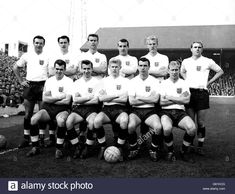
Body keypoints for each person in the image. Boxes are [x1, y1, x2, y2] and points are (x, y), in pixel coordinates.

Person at [26, 59, 79, 158]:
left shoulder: (69, 81)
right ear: (54, 69)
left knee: (61, 121)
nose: (59, 71)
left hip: (63, 109)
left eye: (61, 69)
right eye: (57, 69)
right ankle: (35, 147)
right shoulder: (49, 81)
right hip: (48, 108)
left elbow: (67, 101)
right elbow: (44, 99)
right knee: (33, 119)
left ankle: (59, 149)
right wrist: (59, 97)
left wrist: (52, 99)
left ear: (64, 69)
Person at [180, 41, 224, 155]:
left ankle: (200, 146)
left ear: (202, 49)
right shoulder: (186, 61)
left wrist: (208, 82)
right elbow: (182, 71)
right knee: (191, 123)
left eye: (199, 47)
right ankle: (190, 145)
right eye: (195, 47)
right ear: (191, 49)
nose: (197, 49)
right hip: (189, 93)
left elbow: (220, 71)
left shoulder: (207, 61)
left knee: (200, 122)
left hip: (202, 93)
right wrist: (187, 81)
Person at [13, 35, 49, 148]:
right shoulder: (27, 55)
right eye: (36, 42)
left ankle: (42, 137)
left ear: (44, 44)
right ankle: (26, 137)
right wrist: (20, 81)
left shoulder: (48, 56)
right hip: (30, 85)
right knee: (28, 113)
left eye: (41, 43)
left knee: (42, 113)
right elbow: (15, 67)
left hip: (43, 85)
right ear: (33, 43)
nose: (38, 44)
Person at [159, 61, 196, 163]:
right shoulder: (163, 83)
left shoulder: (184, 83)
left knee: (192, 128)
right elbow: (161, 102)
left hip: (180, 112)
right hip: (166, 112)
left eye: (176, 70)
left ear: (179, 71)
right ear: (168, 71)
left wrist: (170, 97)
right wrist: (179, 99)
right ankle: (170, 152)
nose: (174, 72)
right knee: (166, 128)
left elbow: (186, 101)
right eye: (172, 70)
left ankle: (183, 151)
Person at [94, 58, 129, 161]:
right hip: (106, 109)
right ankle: (102, 146)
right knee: (97, 121)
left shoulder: (126, 81)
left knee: (124, 121)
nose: (114, 69)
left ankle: (120, 147)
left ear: (120, 68)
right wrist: (117, 95)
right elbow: (101, 98)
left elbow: (125, 99)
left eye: (116, 67)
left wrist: (109, 96)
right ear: (109, 68)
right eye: (112, 67)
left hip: (121, 109)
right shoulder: (103, 81)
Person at [128, 57, 162, 161]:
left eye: (145, 66)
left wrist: (139, 97)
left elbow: (156, 100)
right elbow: (132, 102)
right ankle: (133, 149)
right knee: (131, 126)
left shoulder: (155, 81)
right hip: (136, 111)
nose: (143, 68)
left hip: (150, 111)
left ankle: (153, 149)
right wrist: (148, 98)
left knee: (158, 127)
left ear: (149, 67)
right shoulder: (132, 81)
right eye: (141, 65)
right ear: (138, 67)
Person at [66, 60, 102, 159]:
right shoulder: (76, 83)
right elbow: (75, 100)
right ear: (81, 69)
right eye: (84, 68)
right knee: (69, 122)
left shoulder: (97, 82)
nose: (86, 71)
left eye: (88, 68)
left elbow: (96, 101)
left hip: (92, 109)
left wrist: (82, 99)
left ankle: (88, 146)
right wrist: (88, 97)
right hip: (79, 108)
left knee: (91, 123)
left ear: (92, 69)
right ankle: (77, 145)